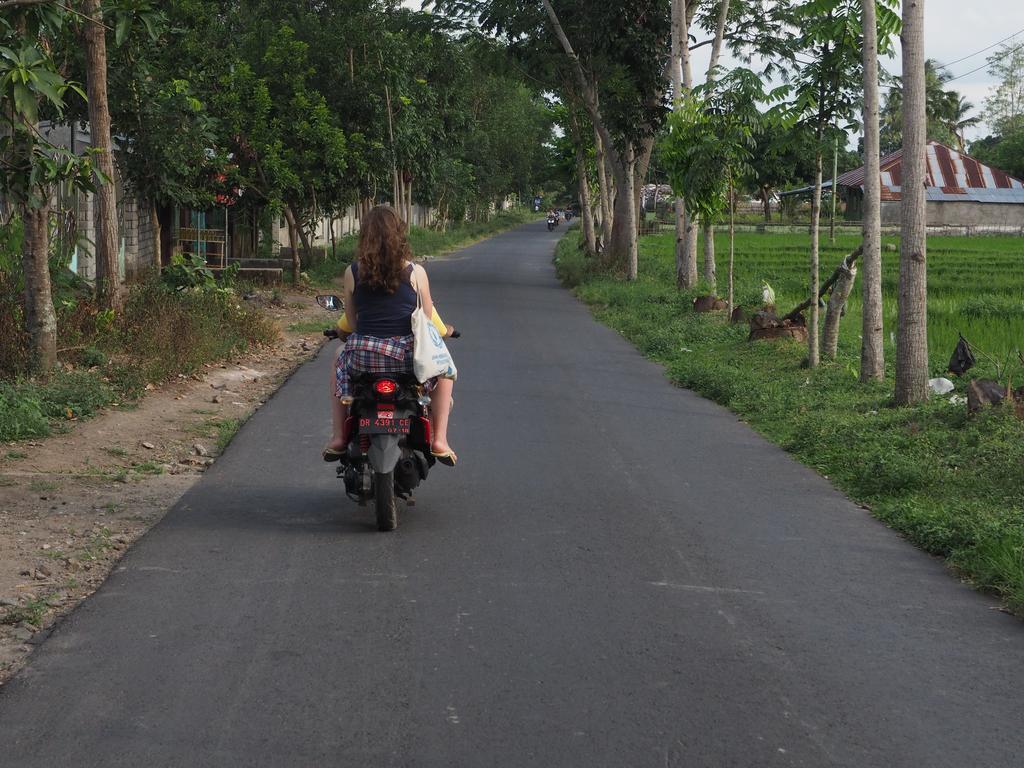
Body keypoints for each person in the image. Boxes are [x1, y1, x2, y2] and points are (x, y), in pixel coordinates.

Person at [323, 205, 457, 466]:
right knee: (445, 371)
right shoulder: (417, 272)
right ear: (400, 235)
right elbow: (426, 321)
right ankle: (440, 440)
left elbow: (351, 322)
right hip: (406, 359)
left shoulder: (352, 272)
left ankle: (339, 437)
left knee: (339, 357)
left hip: (363, 357)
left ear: (365, 236)